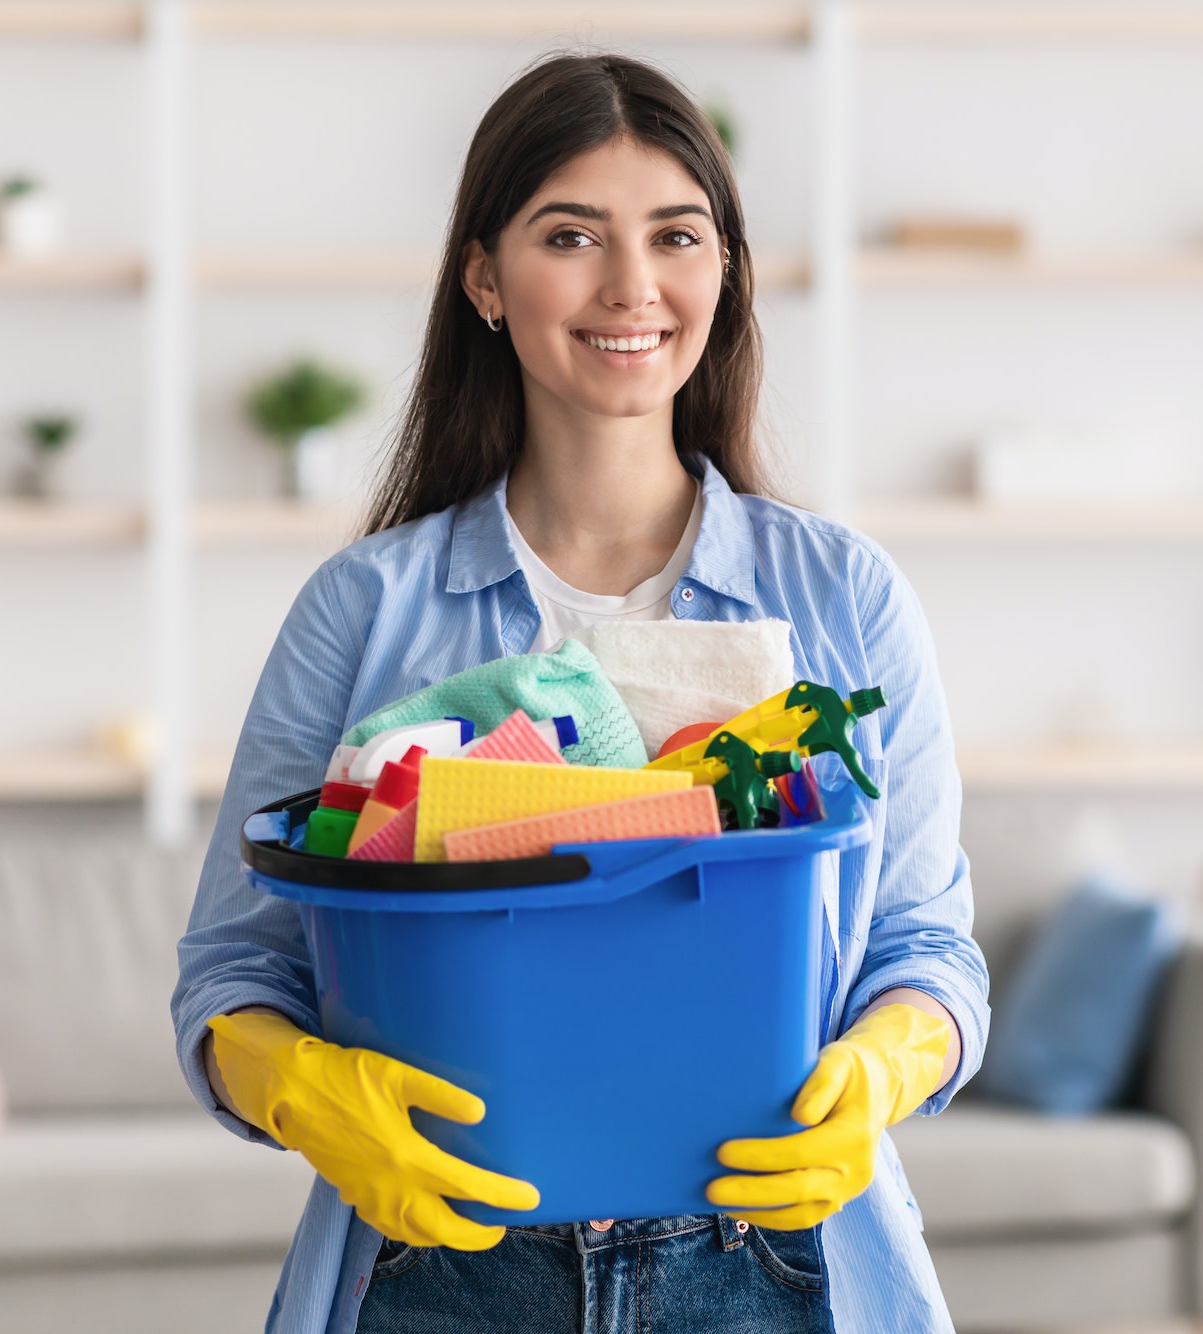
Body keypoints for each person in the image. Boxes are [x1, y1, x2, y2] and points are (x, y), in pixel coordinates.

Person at [173, 52, 989, 1334]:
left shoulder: (843, 596)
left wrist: (881, 1073)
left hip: (767, 1262)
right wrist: (305, 1093)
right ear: (485, 278)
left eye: (676, 235)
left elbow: (927, 950)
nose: (632, 286)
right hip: (439, 1263)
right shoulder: (364, 608)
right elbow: (231, 968)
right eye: (571, 236)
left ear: (721, 269)